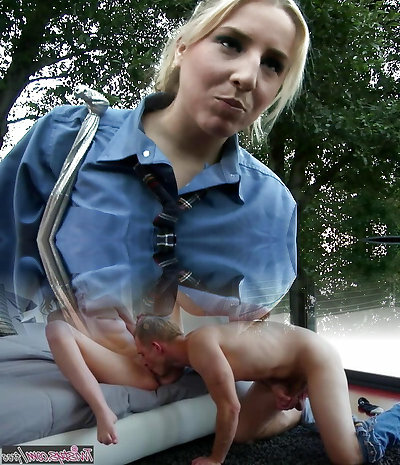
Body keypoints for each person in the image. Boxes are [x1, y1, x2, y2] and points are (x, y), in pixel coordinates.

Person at [0, 0, 309, 321]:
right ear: (182, 49)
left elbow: (244, 332)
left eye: (272, 64)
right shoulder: (67, 138)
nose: (247, 77)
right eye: (230, 43)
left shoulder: (273, 207)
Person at [134, 315, 400, 465]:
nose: (143, 362)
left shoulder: (199, 346)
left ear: (157, 347)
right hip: (282, 371)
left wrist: (215, 459)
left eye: (142, 354)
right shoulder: (194, 349)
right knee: (241, 433)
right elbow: (259, 358)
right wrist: (276, 385)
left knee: (348, 457)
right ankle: (308, 412)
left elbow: (230, 407)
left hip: (314, 357)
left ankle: (395, 416)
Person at [45, 305, 184, 446]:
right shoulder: (57, 316)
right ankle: (102, 411)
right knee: (56, 328)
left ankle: (103, 411)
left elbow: (136, 330)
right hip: (128, 366)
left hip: (148, 355)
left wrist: (144, 325)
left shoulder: (110, 302)